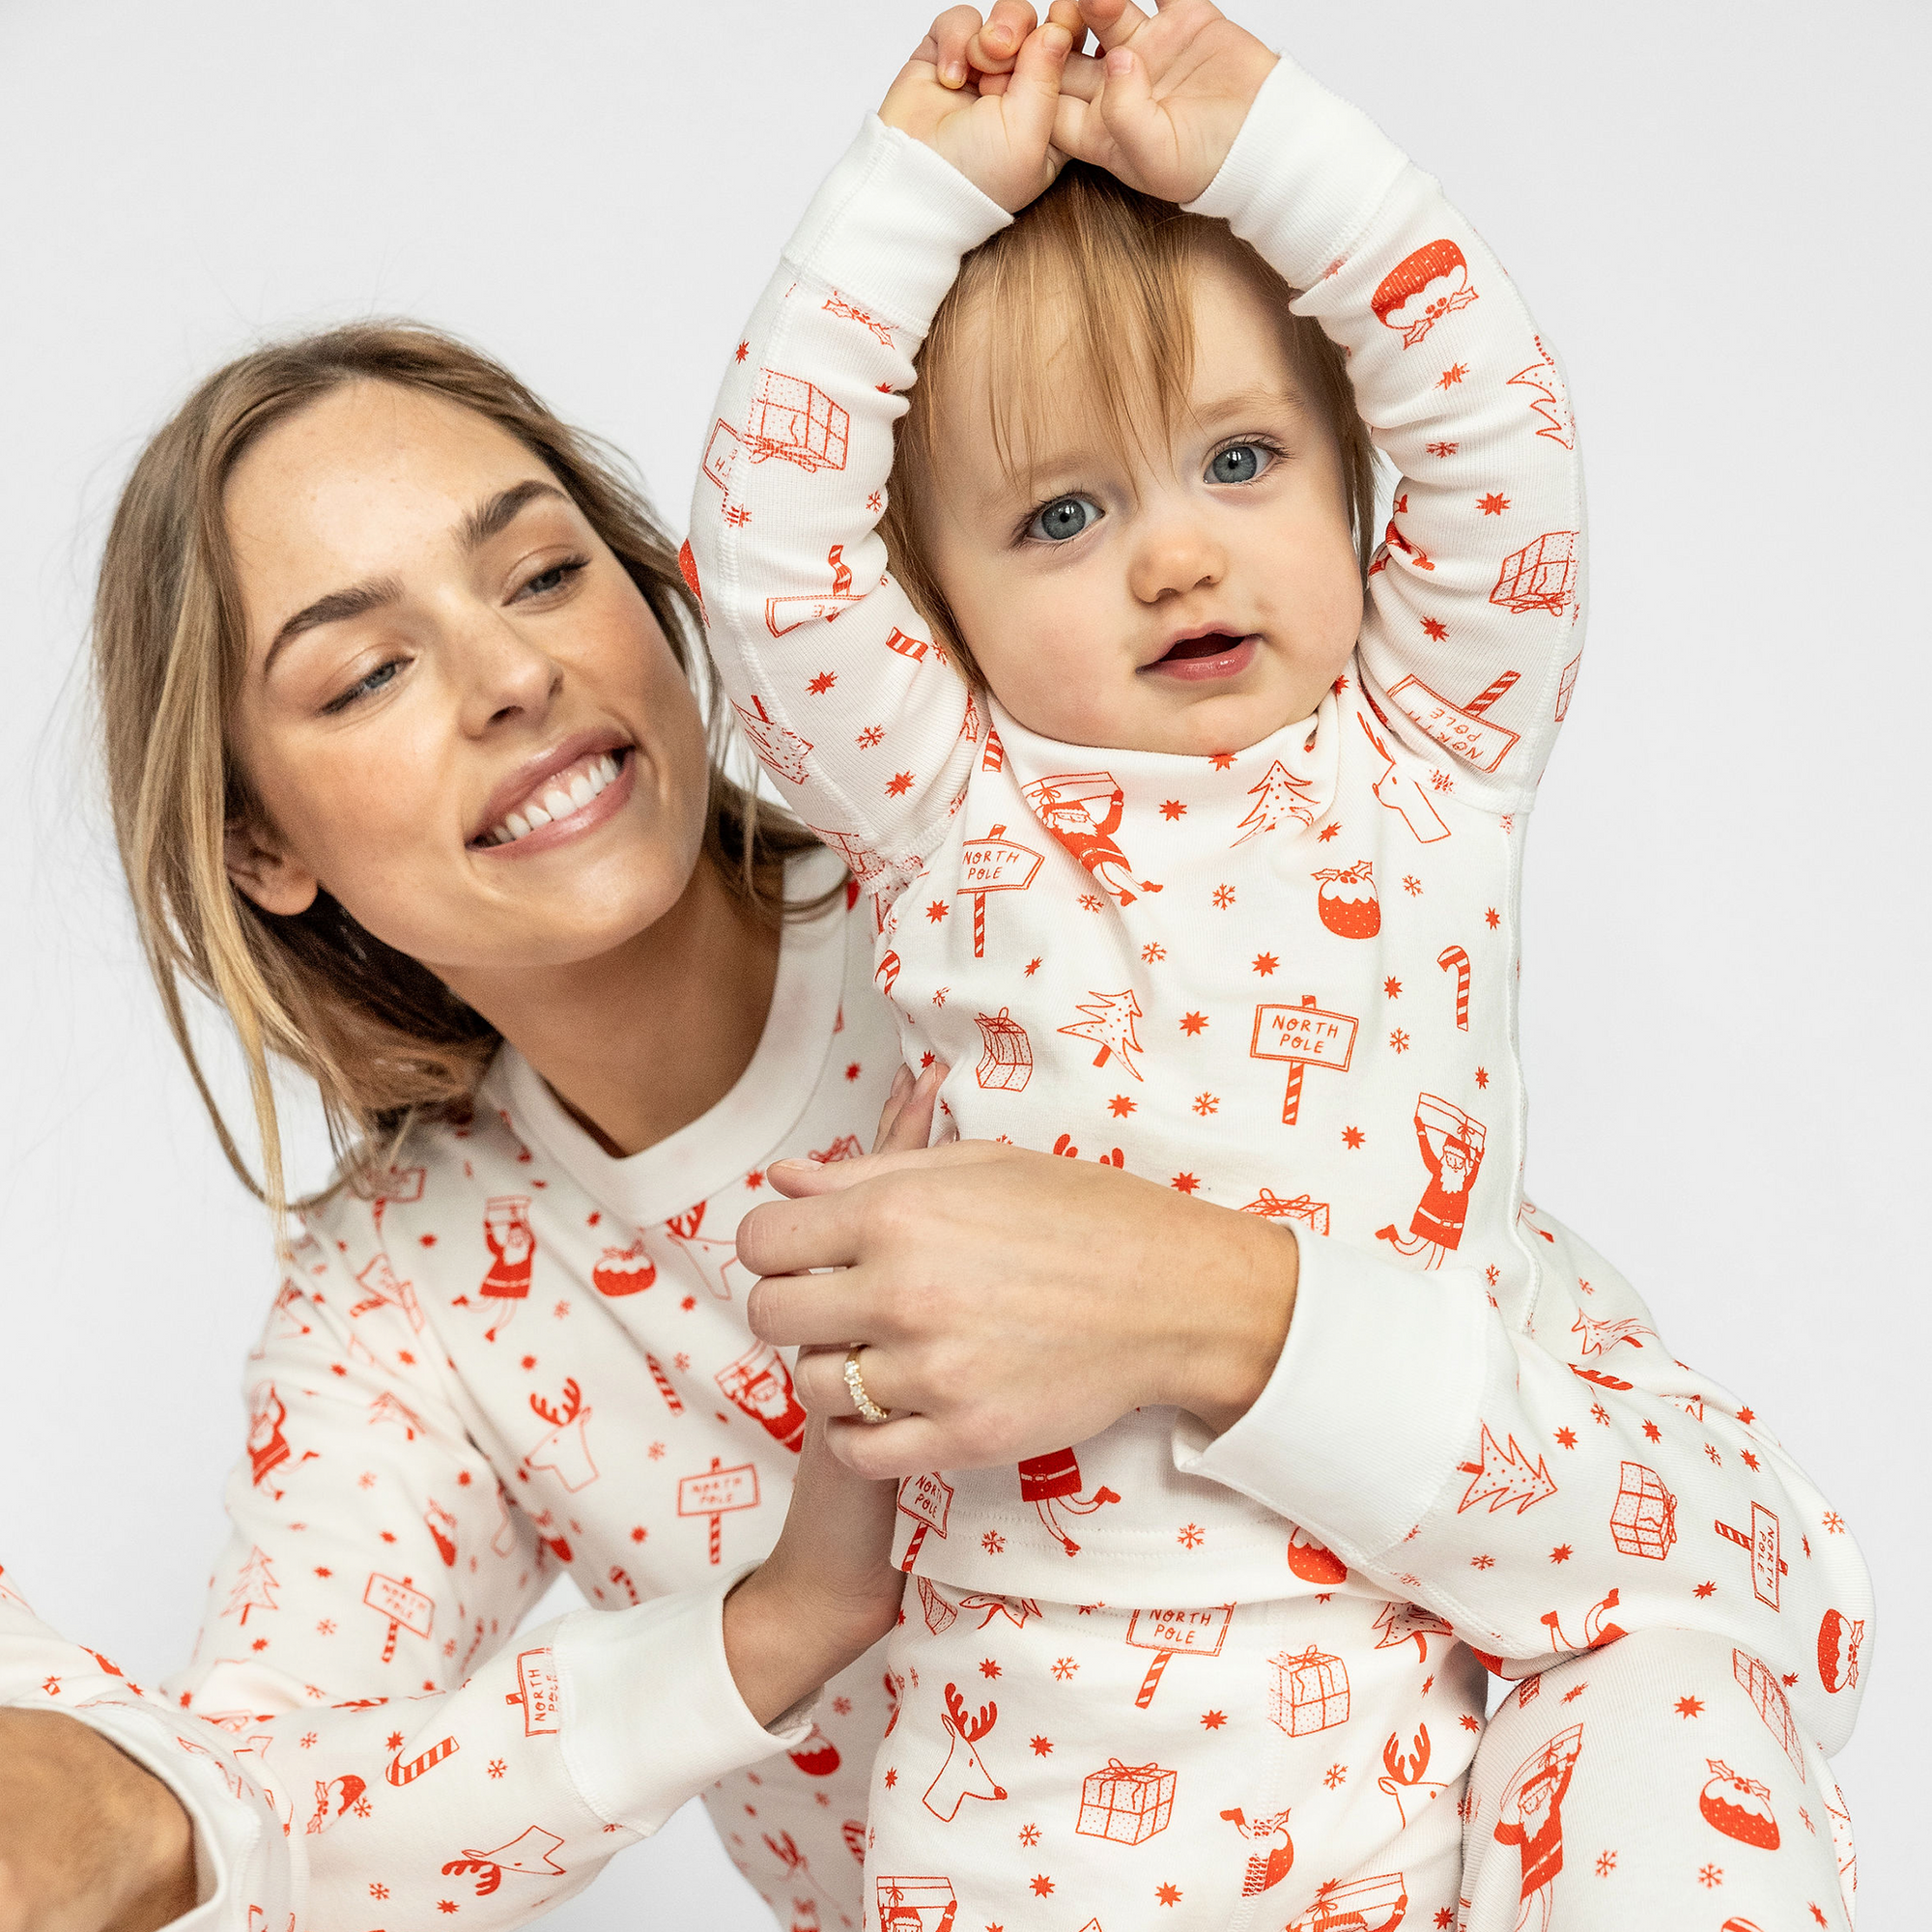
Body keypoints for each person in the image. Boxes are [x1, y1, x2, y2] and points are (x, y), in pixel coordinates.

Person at [0, 14, 1865, 1930]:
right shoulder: (416, 1302)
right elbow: (272, 1813)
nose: (508, 677)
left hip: (1480, 1855)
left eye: (542, 573)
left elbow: (1769, 1580)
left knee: (1662, 1687)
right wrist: (773, 1623)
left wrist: (1217, 1307)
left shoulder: (1050, 897)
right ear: (260, 843)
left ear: (663, 596)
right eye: (363, 669)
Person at [686, 1, 1872, 1926]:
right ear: (941, 611)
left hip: (1402, 1757)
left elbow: (1501, 423)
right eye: (1062, 513)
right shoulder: (947, 813)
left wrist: (1263, 144)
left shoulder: (1431, 765)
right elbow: (768, 557)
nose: (1173, 557)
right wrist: (907, 189)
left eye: (1240, 461)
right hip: (1024, 1813)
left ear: (1348, 496)